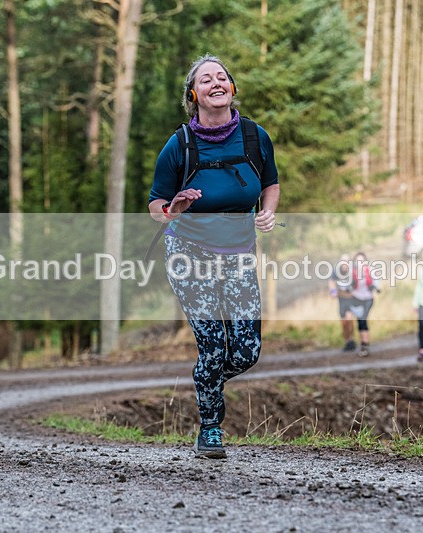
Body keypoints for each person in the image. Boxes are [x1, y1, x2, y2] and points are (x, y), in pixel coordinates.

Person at [147, 55, 280, 459]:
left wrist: (268, 210)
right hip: (188, 253)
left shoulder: (256, 137)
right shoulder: (180, 144)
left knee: (246, 350)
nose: (216, 82)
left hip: (239, 253)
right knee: (212, 347)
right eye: (206, 79)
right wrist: (176, 208)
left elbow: (270, 182)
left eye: (222, 77)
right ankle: (210, 428)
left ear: (232, 88)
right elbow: (156, 205)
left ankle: (206, 380)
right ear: (194, 94)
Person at [328, 252, 379, 357]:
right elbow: (334, 282)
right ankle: (350, 341)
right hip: (349, 299)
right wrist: (334, 291)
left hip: (361, 299)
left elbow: (375, 282)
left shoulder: (365, 271)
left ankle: (363, 345)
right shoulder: (344, 271)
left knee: (358, 320)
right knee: (346, 321)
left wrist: (375, 288)